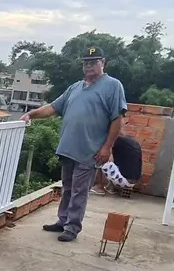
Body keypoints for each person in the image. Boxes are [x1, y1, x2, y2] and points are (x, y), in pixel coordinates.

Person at [21, 46, 127, 241]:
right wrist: (31, 114)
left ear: (103, 63)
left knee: (80, 190)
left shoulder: (112, 86)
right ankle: (63, 220)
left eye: (94, 62)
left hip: (90, 151)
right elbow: (53, 108)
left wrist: (107, 147)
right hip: (69, 149)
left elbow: (117, 118)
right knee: (68, 187)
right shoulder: (75, 87)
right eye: (86, 63)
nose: (89, 66)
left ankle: (72, 227)